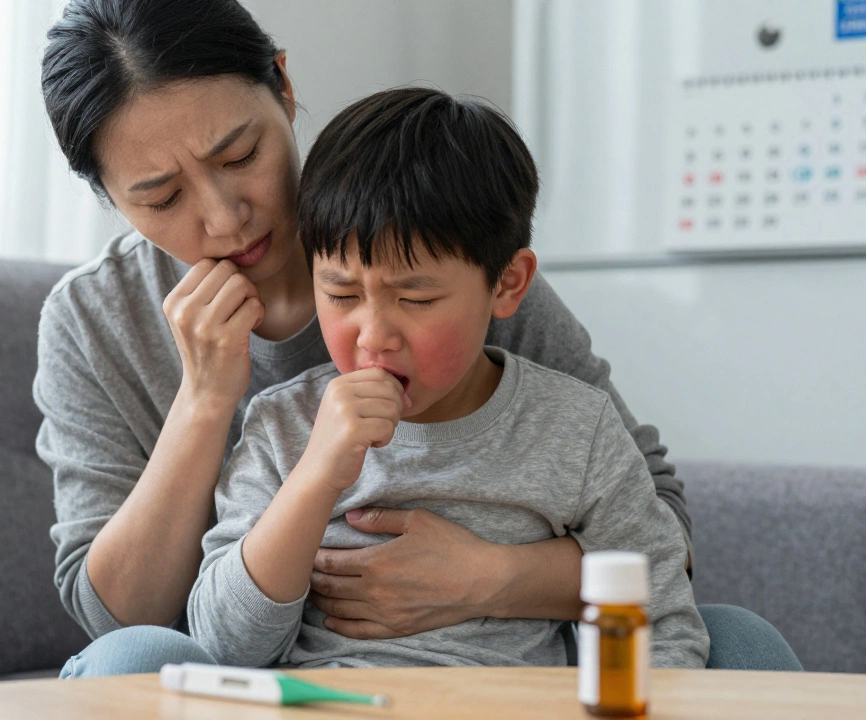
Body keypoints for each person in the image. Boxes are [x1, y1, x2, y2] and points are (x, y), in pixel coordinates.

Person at [35, 0, 801, 676]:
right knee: (128, 662)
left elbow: (658, 523)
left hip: (515, 662)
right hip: (256, 674)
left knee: (741, 642)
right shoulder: (97, 321)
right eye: (162, 197)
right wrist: (205, 403)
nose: (226, 217)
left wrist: (492, 577)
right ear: (110, 198)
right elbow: (122, 619)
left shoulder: (443, 256)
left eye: (241, 156)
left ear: (284, 86)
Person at [187, 87, 709, 669]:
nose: (373, 334)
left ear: (508, 284)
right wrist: (313, 479)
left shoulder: (574, 428)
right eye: (340, 293)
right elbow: (222, 645)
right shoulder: (282, 426)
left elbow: (661, 616)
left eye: (416, 297)